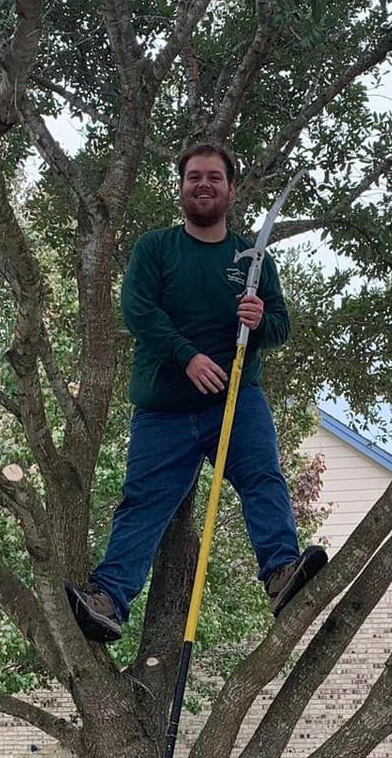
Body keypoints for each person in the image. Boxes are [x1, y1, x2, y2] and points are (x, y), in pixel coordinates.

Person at [66, 140, 327, 644]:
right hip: (163, 411)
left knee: (263, 479)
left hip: (236, 403)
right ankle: (109, 600)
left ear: (231, 190)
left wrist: (260, 319)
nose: (203, 184)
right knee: (143, 502)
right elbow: (139, 312)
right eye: (194, 177)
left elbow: (280, 326)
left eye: (214, 177)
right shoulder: (156, 249)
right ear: (182, 187)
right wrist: (187, 356)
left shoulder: (252, 259)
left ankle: (281, 573)